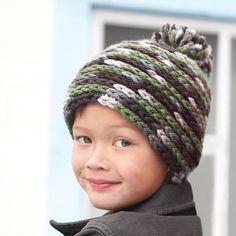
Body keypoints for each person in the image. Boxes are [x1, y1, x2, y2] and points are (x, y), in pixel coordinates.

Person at [50, 24, 213, 236]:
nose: (95, 161)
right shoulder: (183, 225)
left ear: (172, 155)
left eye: (122, 142)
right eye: (84, 139)